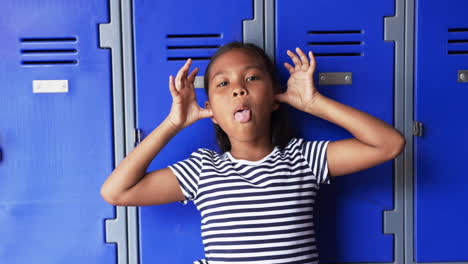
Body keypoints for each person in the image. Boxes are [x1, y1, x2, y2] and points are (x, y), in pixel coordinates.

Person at [100, 41, 405, 264]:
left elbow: (389, 144)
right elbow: (117, 192)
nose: (238, 89)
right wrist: (173, 122)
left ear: (274, 99)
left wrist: (314, 103)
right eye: (222, 83)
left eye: (252, 78)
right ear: (212, 112)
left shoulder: (302, 158)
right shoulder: (202, 170)